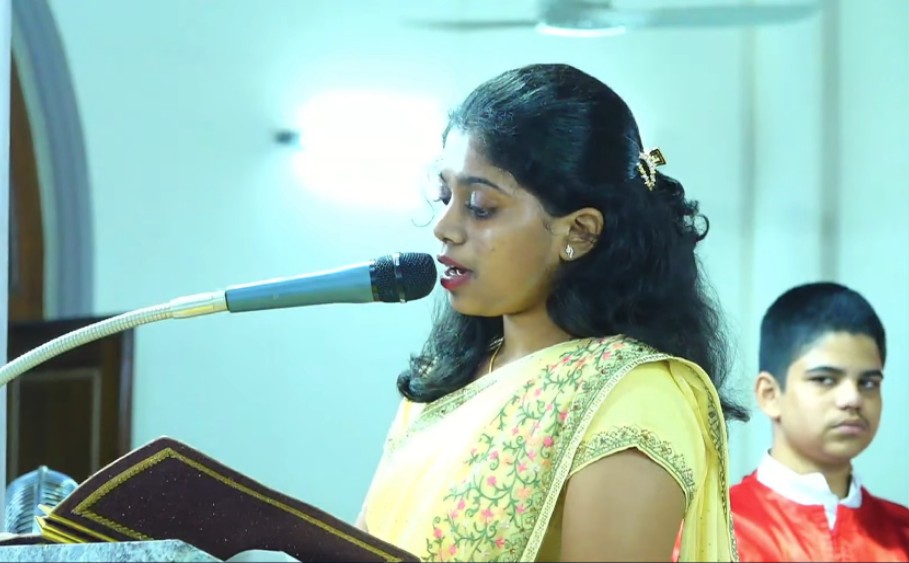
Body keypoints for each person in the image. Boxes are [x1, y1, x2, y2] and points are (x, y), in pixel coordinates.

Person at [356, 63, 747, 562]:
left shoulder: (633, 394)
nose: (444, 227)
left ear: (579, 232)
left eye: (479, 206)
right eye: (444, 196)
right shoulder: (444, 379)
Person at [724, 282, 909, 561]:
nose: (852, 398)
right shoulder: (715, 534)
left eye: (868, 383)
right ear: (770, 395)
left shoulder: (901, 535)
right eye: (825, 379)